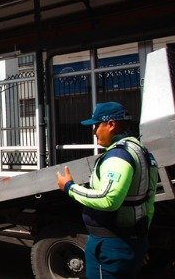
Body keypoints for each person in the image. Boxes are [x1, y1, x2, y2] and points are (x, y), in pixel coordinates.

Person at [56, 102, 158, 279]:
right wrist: (139, 240)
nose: (94, 131)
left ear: (111, 124)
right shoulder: (142, 151)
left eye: (96, 125)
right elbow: (148, 202)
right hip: (125, 242)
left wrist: (69, 187)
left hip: (111, 245)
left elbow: (108, 199)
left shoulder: (118, 157)